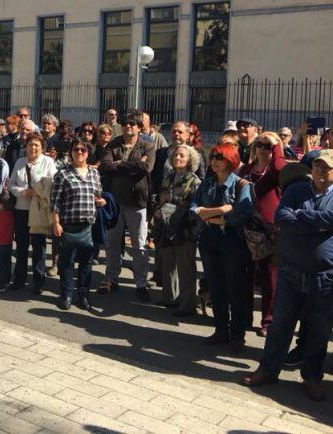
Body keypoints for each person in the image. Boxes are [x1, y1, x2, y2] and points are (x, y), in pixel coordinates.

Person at [241, 149, 333, 402]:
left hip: (324, 277)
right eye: (317, 166)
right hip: (291, 271)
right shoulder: (296, 190)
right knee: (280, 324)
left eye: (327, 168)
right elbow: (282, 216)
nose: (321, 172)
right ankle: (268, 370)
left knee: (318, 329)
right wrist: (318, 223)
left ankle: (312, 377)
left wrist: (301, 217)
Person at [190, 142, 254, 352]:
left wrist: (211, 215)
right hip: (209, 241)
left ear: (230, 160)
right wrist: (219, 212)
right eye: (214, 157)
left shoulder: (242, 184)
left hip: (233, 244)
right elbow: (193, 208)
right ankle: (220, 330)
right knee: (216, 287)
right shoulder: (207, 183)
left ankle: (237, 335)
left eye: (220, 157)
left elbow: (241, 213)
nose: (215, 161)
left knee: (235, 289)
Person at [99, 110, 156, 301]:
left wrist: (120, 164)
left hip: (137, 202)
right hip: (115, 201)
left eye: (132, 124)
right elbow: (105, 166)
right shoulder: (114, 144)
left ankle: (140, 284)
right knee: (112, 243)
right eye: (125, 124)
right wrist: (131, 165)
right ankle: (111, 279)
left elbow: (146, 168)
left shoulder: (147, 146)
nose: (128, 127)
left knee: (139, 246)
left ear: (140, 127)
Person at [237, 131, 286, 337]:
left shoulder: (275, 170)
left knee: (270, 277)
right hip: (247, 226)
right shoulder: (247, 169)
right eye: (260, 145)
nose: (263, 149)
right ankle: (244, 317)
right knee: (245, 274)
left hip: (270, 228)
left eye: (268, 146)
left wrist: (277, 146)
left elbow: (279, 169)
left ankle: (268, 319)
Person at [50, 138, 105, 310]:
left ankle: (83, 295)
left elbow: (97, 195)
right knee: (67, 262)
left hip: (89, 225)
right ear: (71, 152)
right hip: (68, 225)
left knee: (86, 263)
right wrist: (56, 223)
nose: (79, 152)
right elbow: (55, 202)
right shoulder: (62, 174)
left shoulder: (95, 174)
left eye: (83, 150)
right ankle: (66, 294)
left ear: (88, 153)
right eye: (76, 149)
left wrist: (100, 201)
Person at [154, 144, 201, 317]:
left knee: (185, 267)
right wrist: (158, 209)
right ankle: (169, 297)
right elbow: (160, 197)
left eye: (182, 155)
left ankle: (187, 304)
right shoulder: (168, 177)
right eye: (175, 155)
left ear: (190, 160)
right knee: (168, 264)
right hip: (166, 226)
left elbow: (194, 206)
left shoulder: (194, 181)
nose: (178, 158)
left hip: (184, 228)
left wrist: (175, 212)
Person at [9, 133, 57, 294]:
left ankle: (39, 281)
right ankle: (19, 279)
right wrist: (22, 192)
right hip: (21, 209)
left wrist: (36, 192)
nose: (33, 148)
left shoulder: (48, 162)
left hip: (39, 210)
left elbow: (53, 184)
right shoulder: (20, 162)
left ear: (42, 147)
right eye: (30, 145)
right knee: (21, 246)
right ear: (26, 147)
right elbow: (11, 184)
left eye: (36, 145)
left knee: (39, 247)